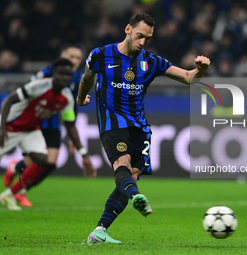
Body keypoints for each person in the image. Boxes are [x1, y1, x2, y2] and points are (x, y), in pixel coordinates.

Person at [77, 13, 210, 244]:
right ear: (128, 29)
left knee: (133, 175)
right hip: (112, 123)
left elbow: (189, 78)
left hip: (140, 128)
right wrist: (80, 99)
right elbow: (87, 79)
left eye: (147, 39)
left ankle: (100, 230)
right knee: (123, 165)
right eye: (139, 36)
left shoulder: (151, 61)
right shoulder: (100, 55)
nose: (142, 42)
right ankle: (136, 196)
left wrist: (201, 70)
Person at [2, 44, 96, 207]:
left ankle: (16, 192)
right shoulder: (44, 78)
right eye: (70, 56)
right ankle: (15, 173)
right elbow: (14, 98)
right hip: (18, 124)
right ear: (62, 56)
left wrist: (82, 151)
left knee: (46, 162)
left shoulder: (73, 83)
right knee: (31, 162)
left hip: (38, 126)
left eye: (77, 58)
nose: (73, 61)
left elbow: (71, 116)